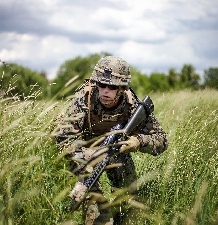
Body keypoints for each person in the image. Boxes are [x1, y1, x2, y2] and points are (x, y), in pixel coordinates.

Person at [53, 55, 168, 225]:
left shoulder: (132, 105)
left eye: (112, 86)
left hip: (117, 151)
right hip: (84, 152)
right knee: (95, 206)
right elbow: (63, 139)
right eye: (101, 85)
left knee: (128, 203)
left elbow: (161, 140)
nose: (105, 90)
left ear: (122, 88)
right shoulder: (83, 99)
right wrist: (85, 164)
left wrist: (136, 142)